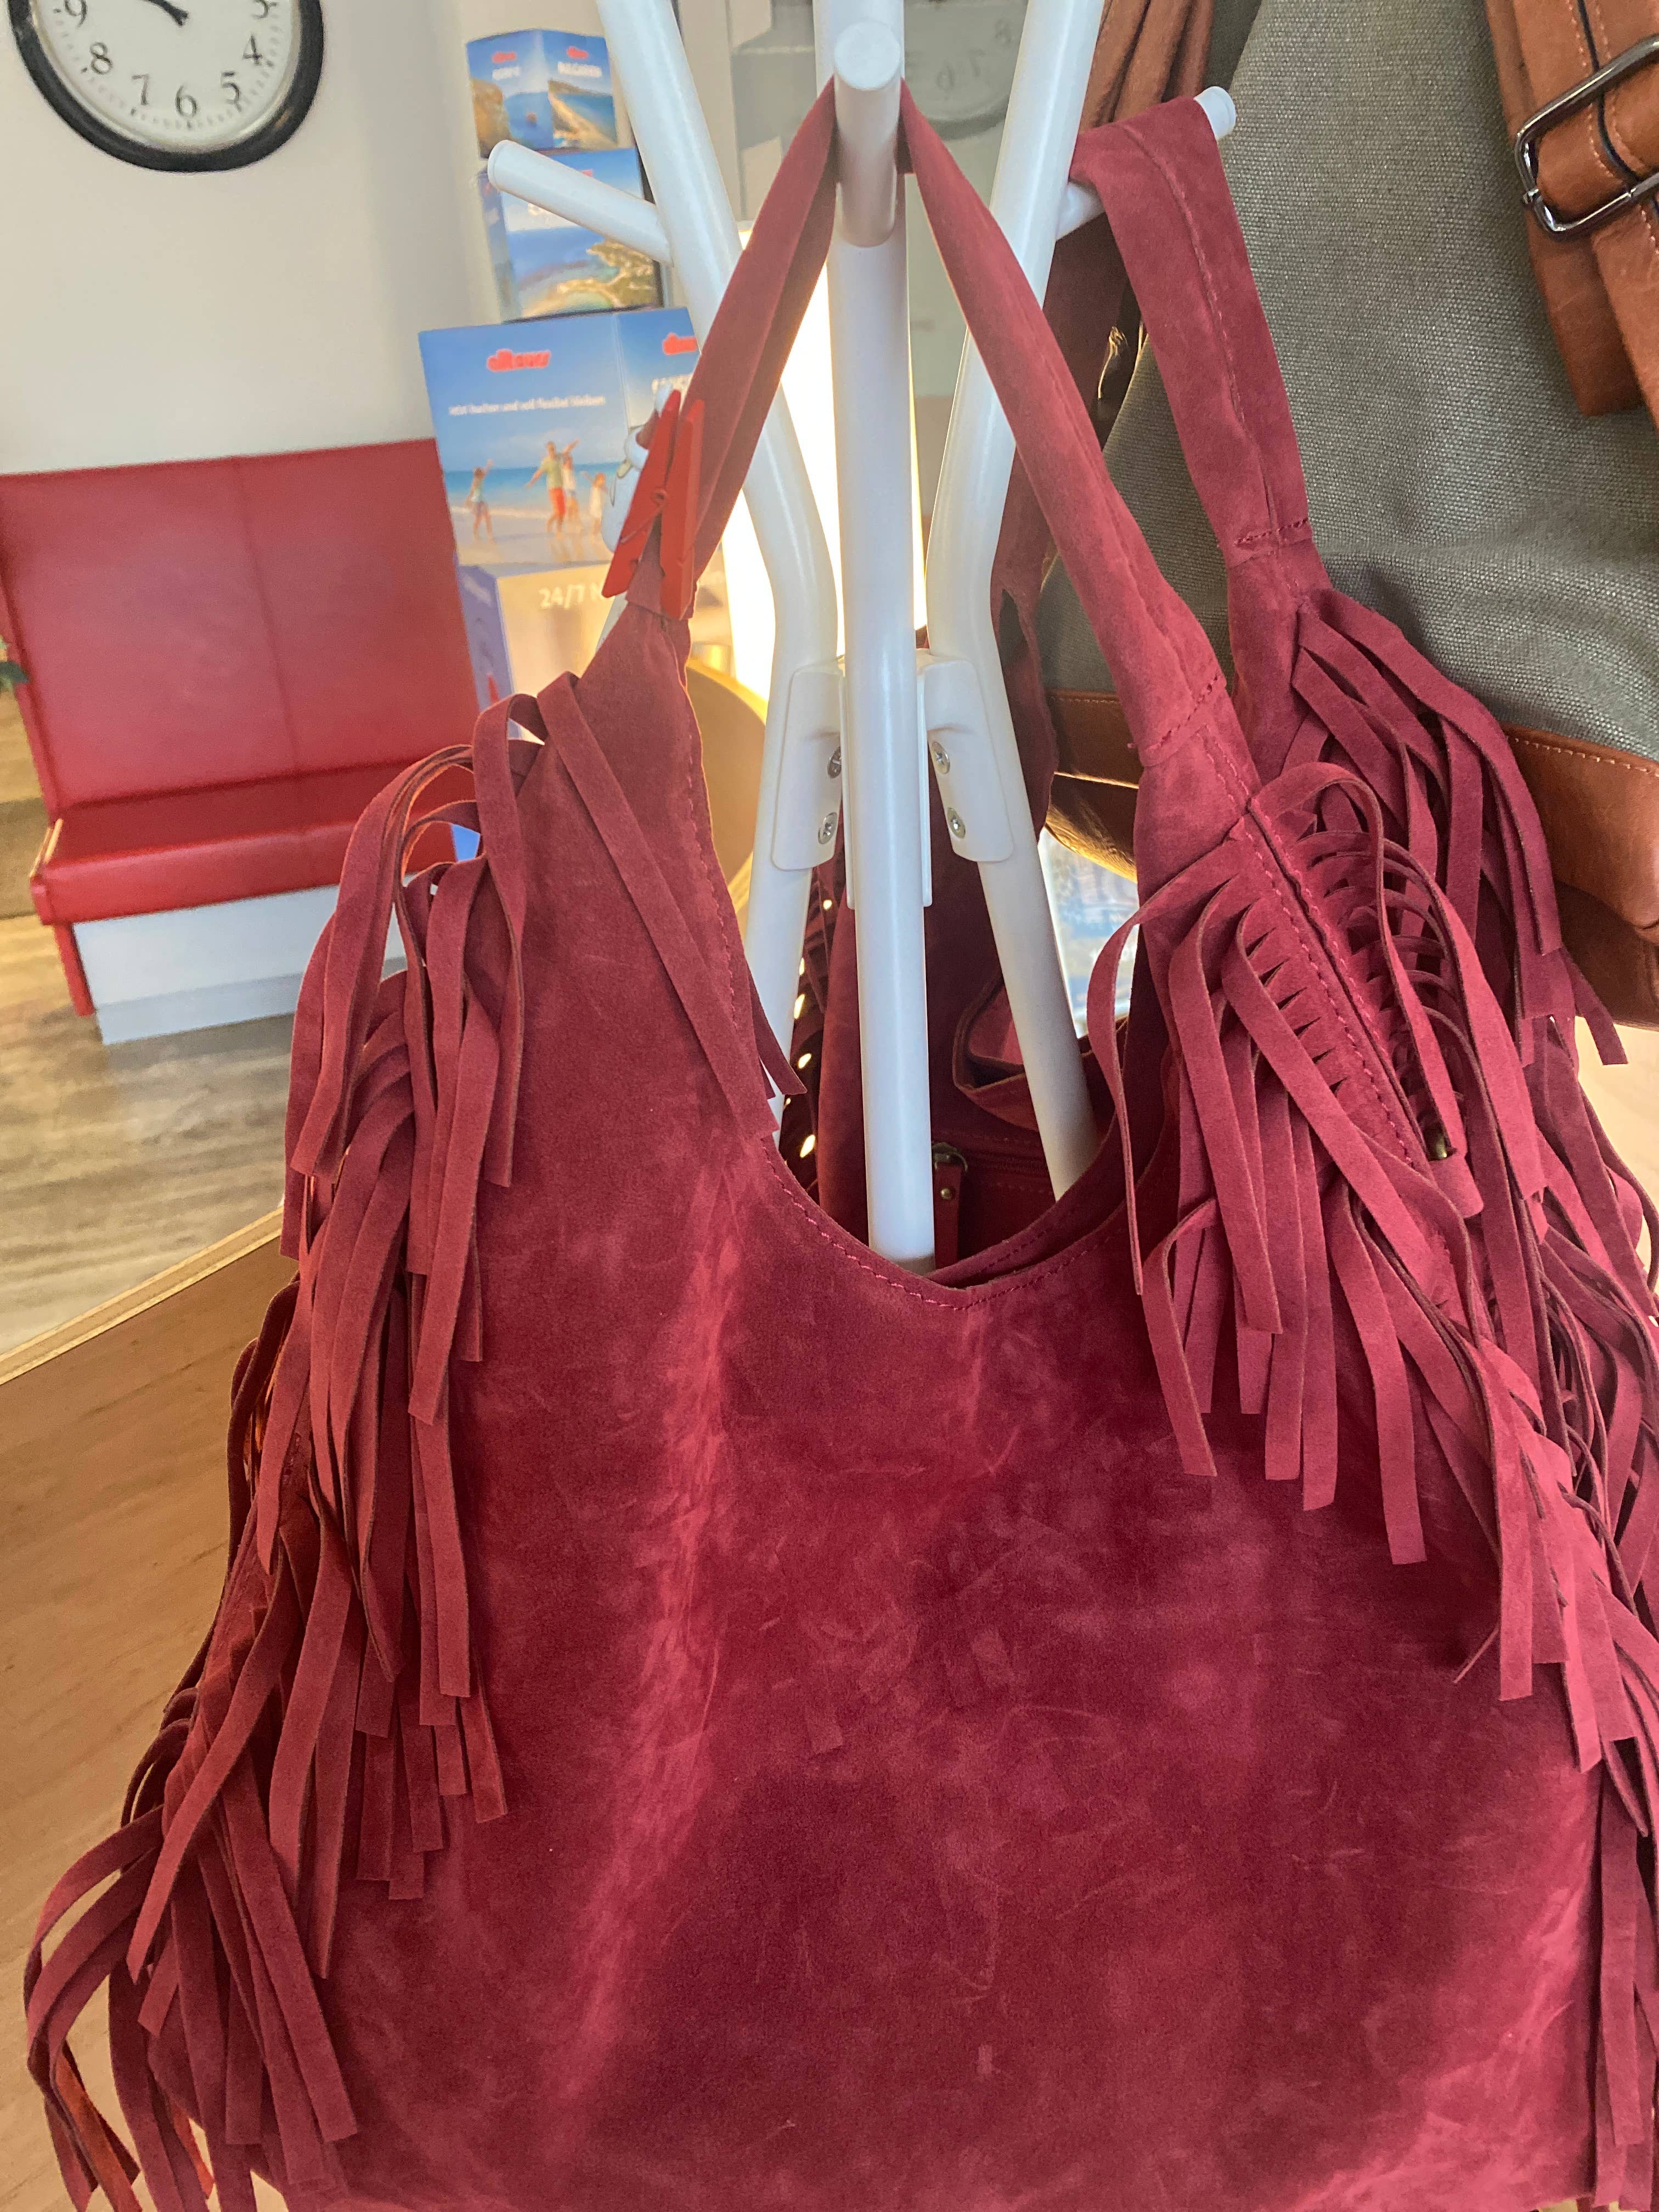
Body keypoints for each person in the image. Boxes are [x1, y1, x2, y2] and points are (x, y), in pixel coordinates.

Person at [464, 462, 494, 546]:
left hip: (483, 501)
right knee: (478, 519)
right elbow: (472, 492)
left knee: (488, 517)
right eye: (481, 472)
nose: (483, 473)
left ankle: (490, 536)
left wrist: (489, 465)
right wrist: (468, 500)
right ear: (478, 474)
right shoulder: (475, 481)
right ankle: (475, 533)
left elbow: (486, 472)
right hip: (476, 502)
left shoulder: (481, 479)